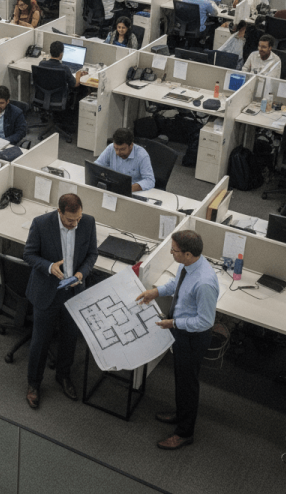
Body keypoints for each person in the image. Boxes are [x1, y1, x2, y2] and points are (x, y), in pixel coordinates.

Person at [135, 230, 220, 450]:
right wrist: (156, 291)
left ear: (188, 254)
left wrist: (173, 324)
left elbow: (205, 321)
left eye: (174, 250)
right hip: (181, 330)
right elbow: (177, 285)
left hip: (193, 337)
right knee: (181, 380)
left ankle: (184, 433)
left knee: (188, 384)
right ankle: (181, 414)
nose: (172, 253)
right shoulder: (188, 265)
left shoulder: (204, 282)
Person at [24, 193, 98, 410]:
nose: (75, 224)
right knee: (40, 340)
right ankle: (34, 384)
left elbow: (92, 254)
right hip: (47, 290)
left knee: (69, 337)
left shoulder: (88, 223)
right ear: (59, 213)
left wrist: (81, 274)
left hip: (74, 290)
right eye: (69, 221)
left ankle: (63, 376)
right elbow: (28, 254)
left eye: (78, 219)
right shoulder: (41, 224)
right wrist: (49, 266)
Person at [94, 128, 155, 192]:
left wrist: (127, 189)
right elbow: (96, 166)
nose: (118, 152)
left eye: (122, 149)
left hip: (133, 191)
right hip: (113, 188)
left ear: (131, 145)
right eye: (116, 148)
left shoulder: (142, 155)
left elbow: (150, 180)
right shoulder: (111, 148)